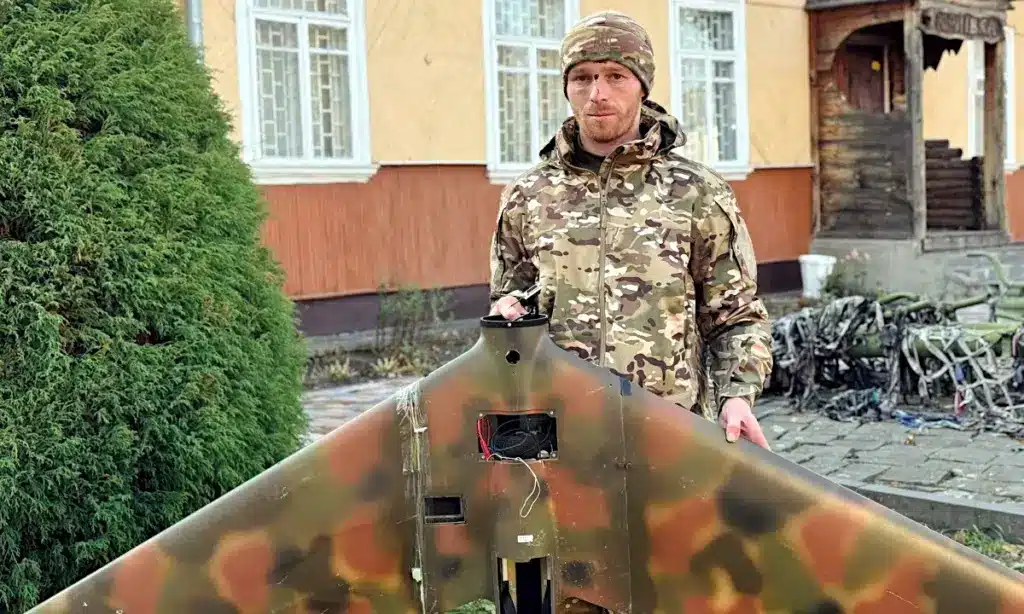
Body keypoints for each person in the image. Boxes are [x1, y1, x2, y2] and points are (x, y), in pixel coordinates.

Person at [487, 10, 774, 449]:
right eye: (582, 77)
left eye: (615, 76)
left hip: (668, 433)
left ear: (643, 85)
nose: (597, 93)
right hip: (560, 437)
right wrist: (506, 313)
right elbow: (508, 304)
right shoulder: (529, 195)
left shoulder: (695, 192)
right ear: (566, 87)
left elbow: (736, 317)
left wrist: (736, 396)